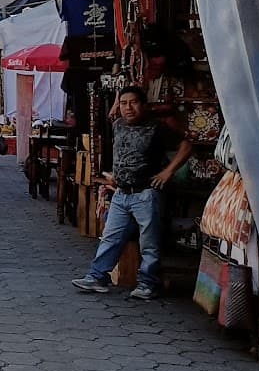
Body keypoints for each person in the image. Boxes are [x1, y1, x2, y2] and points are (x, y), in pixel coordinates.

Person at [72, 86, 193, 301]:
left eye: (134, 102)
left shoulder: (157, 128)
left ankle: (148, 283)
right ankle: (97, 276)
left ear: (143, 105)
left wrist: (168, 172)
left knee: (149, 241)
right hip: (121, 193)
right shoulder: (118, 125)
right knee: (111, 237)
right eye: (124, 103)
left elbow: (185, 146)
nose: (128, 108)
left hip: (146, 193)